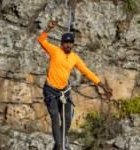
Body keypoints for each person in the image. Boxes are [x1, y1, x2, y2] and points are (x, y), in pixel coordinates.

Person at [38, 21, 112, 150]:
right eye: (66, 42)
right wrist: (48, 28)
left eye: (70, 43)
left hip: (64, 92)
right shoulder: (55, 51)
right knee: (55, 120)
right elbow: (41, 40)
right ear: (62, 43)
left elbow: (87, 72)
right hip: (51, 91)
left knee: (67, 121)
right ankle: (60, 147)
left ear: (73, 44)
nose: (68, 45)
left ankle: (57, 147)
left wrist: (102, 85)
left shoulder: (75, 58)